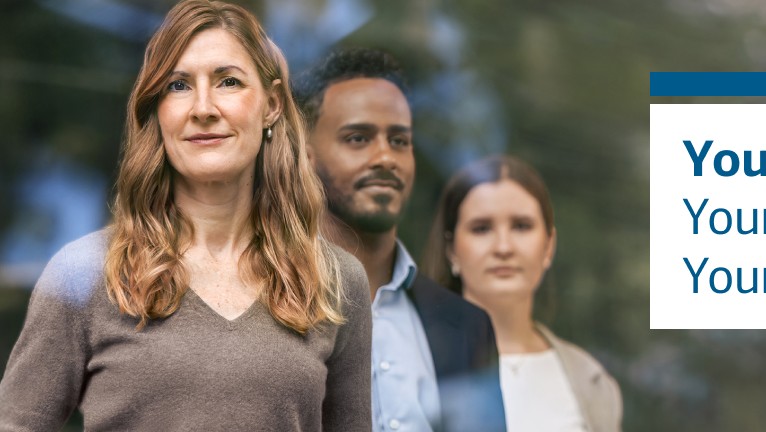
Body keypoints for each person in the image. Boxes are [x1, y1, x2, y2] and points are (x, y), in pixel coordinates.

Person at [0, 1, 372, 430]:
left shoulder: (336, 281)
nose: (203, 107)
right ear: (157, 111)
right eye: (178, 86)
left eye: (228, 81)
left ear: (271, 105)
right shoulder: (82, 274)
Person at [293, 48, 505, 432]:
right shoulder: (265, 304)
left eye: (399, 141)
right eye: (358, 138)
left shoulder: (466, 325)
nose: (385, 157)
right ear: (307, 157)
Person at [422, 155, 623, 432]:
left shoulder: (591, 380)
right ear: (452, 250)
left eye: (521, 226)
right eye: (481, 228)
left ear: (549, 246)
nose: (503, 247)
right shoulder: (406, 363)